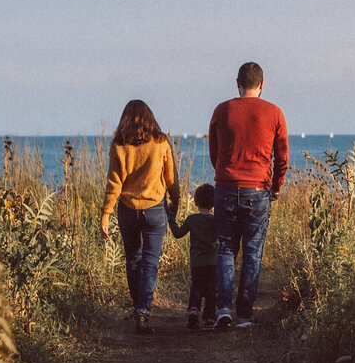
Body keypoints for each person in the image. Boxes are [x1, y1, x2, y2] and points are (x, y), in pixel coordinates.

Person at [208, 62, 288, 330]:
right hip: (258, 189)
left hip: (226, 185)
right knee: (252, 253)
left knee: (227, 249)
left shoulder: (222, 110)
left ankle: (222, 309)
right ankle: (244, 315)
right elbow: (282, 156)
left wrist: (223, 175)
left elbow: (214, 151)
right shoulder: (274, 112)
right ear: (262, 85)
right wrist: (276, 185)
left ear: (237, 82)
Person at [101, 99, 180, 335]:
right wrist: (175, 201)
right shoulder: (160, 141)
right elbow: (171, 178)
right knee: (150, 262)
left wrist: (105, 214)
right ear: (150, 118)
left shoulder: (119, 145)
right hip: (155, 209)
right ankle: (143, 312)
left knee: (133, 260)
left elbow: (113, 183)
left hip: (126, 209)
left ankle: (138, 308)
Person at [169, 183, 219, 330]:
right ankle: (210, 318)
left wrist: (171, 218)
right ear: (214, 202)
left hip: (196, 262)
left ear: (196, 202)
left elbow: (178, 234)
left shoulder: (191, 219)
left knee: (196, 287)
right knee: (211, 290)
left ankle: (193, 311)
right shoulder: (217, 220)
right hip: (213, 262)